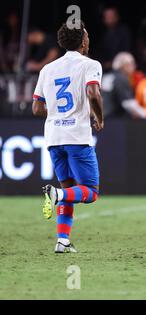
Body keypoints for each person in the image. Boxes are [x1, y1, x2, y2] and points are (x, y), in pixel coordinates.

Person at [32, 21, 104, 253]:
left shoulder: (47, 69)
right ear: (83, 40)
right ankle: (57, 194)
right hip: (77, 136)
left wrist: (56, 113)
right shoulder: (90, 65)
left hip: (54, 138)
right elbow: (93, 92)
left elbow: (36, 108)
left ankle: (62, 240)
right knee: (90, 192)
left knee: (70, 189)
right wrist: (98, 117)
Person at [101, 52, 146, 118]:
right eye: (132, 64)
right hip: (114, 120)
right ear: (124, 65)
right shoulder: (121, 79)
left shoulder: (105, 76)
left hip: (101, 118)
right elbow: (128, 104)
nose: (134, 67)